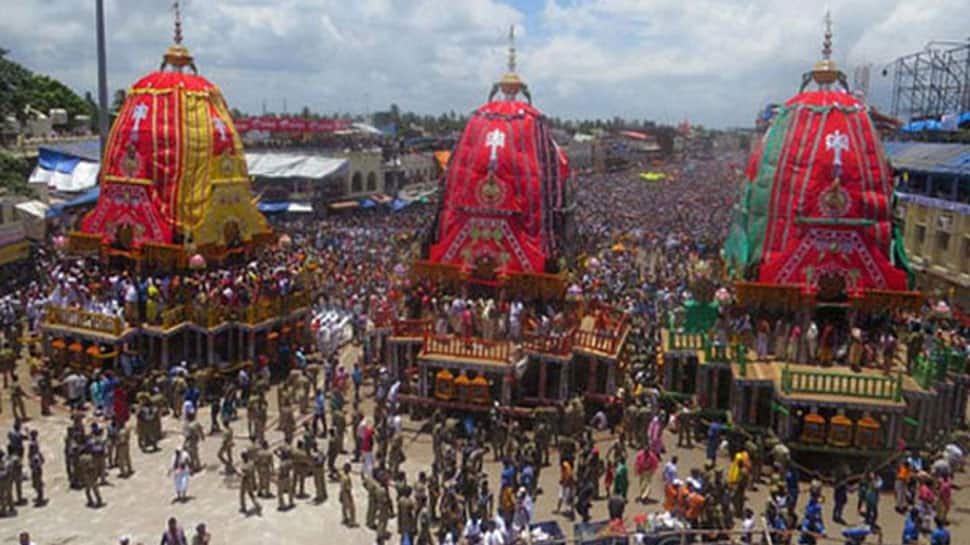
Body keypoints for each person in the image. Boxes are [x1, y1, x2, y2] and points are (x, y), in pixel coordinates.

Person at [340, 462, 356, 526]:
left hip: (342, 492)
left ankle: (344, 518)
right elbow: (348, 487)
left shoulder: (342, 476)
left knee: (344, 506)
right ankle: (351, 522)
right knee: (352, 508)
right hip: (347, 493)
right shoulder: (347, 478)